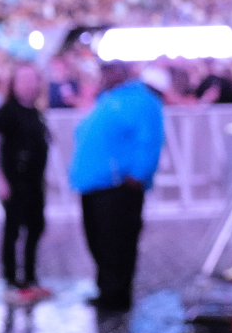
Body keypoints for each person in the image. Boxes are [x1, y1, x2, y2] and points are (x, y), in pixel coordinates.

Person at [68, 60, 165, 313]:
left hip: (118, 186)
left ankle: (117, 295)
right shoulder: (108, 99)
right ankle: (107, 289)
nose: (105, 74)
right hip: (94, 184)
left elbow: (150, 140)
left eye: (110, 69)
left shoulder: (142, 100)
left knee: (117, 243)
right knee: (98, 240)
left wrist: (138, 175)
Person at [0, 63, 51, 304]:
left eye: (32, 79)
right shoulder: (5, 112)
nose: (28, 84)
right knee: (13, 230)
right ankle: (11, 281)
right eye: (23, 80)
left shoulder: (35, 112)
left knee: (35, 228)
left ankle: (30, 278)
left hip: (34, 182)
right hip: (14, 181)